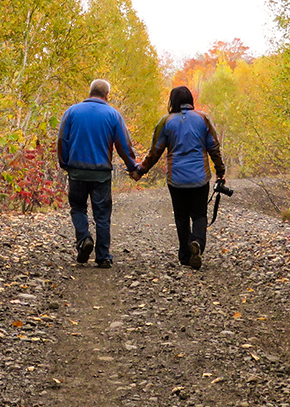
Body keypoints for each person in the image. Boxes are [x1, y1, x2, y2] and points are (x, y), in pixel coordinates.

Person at [133, 86, 225, 269]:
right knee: (199, 214)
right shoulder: (203, 119)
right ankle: (197, 242)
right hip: (200, 177)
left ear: (172, 101)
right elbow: (214, 147)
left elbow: (155, 152)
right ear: (190, 100)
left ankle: (184, 255)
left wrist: (140, 170)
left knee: (181, 216)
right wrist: (220, 171)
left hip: (176, 179)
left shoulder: (166, 122)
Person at [56, 79, 140, 268]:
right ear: (106, 95)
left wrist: (65, 164)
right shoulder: (113, 115)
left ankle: (84, 239)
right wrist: (132, 167)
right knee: (102, 215)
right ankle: (103, 257)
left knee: (78, 208)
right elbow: (123, 145)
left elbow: (62, 139)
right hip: (101, 173)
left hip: (77, 170)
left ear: (90, 92)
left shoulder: (72, 112)